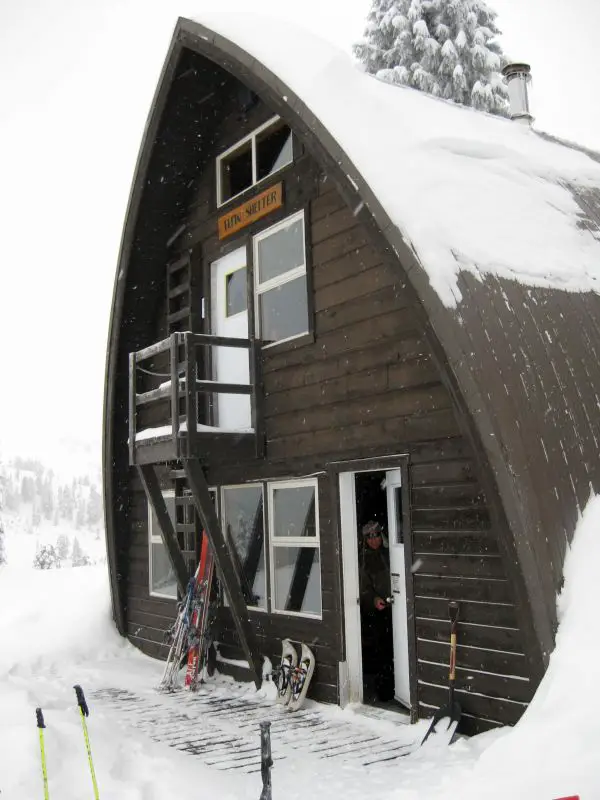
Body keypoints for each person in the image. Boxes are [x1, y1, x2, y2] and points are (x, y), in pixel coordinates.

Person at [359, 520, 394, 702]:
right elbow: (363, 588)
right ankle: (384, 693)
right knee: (382, 652)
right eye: (370, 537)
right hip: (375, 613)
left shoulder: (390, 554)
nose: (374, 540)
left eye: (377, 535)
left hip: (394, 607)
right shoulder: (363, 560)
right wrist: (374, 600)